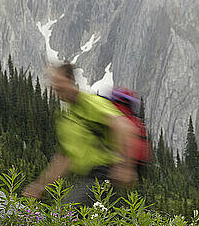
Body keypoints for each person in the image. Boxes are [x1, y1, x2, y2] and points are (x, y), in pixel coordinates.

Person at [23, 63, 138, 206]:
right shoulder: (66, 119)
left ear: (70, 80)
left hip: (105, 174)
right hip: (89, 178)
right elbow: (65, 159)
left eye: (59, 81)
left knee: (66, 215)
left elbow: (123, 126)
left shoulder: (89, 102)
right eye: (53, 83)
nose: (56, 87)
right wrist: (40, 186)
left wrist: (125, 166)